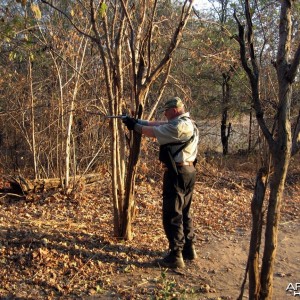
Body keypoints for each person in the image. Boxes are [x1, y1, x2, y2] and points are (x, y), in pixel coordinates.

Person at [123, 97, 199, 268]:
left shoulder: (179, 126)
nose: (164, 115)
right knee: (184, 212)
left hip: (177, 172)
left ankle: (175, 255)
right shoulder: (189, 123)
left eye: (166, 111)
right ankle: (188, 248)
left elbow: (154, 131)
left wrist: (134, 126)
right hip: (188, 171)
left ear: (174, 110)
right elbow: (157, 124)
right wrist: (136, 121)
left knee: (172, 214)